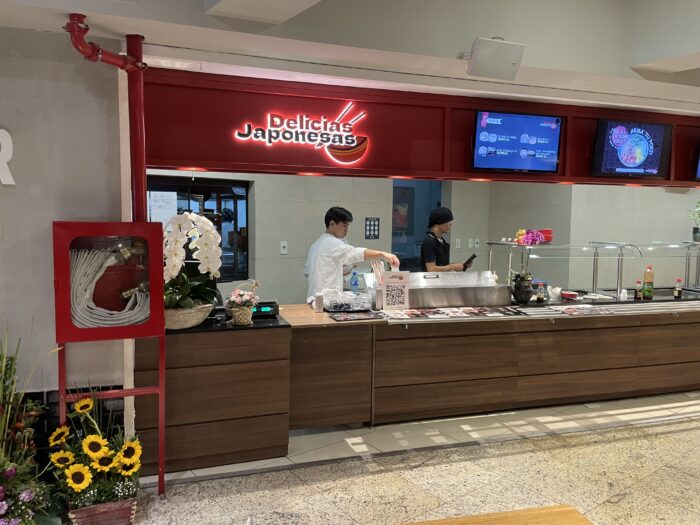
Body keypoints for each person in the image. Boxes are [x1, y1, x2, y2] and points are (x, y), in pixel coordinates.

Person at [305, 206, 400, 301]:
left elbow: (309, 272)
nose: (347, 229)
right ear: (332, 223)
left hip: (314, 300)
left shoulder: (315, 245)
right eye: (344, 225)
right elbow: (355, 253)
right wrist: (383, 254)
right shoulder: (331, 242)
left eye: (347, 226)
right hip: (326, 301)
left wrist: (341, 271)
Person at [420, 206, 472, 272]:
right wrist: (453, 267)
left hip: (441, 278)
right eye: (448, 222)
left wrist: (459, 265)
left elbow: (442, 265)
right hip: (431, 278)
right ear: (439, 223)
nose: (451, 225)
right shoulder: (429, 242)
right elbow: (431, 269)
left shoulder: (441, 241)